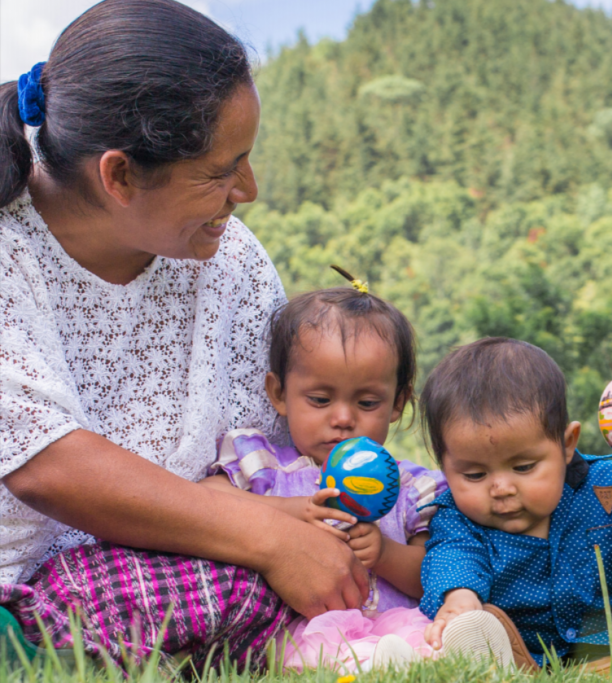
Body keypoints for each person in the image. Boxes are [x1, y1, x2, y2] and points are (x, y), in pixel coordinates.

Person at [0, 0, 363, 668]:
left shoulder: (233, 262)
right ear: (119, 175)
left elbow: (266, 454)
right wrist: (268, 538)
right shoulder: (8, 249)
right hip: (24, 605)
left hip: (189, 585)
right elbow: (47, 461)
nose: (247, 189)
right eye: (222, 170)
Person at [202, 282, 510, 671]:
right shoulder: (261, 464)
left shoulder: (414, 487)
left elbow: (432, 573)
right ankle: (378, 665)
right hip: (305, 631)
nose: (344, 419)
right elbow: (207, 502)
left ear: (398, 403)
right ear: (279, 393)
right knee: (322, 654)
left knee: (425, 637)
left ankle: (469, 646)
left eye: (367, 403)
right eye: (320, 399)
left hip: (396, 626)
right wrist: (291, 510)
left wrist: (385, 554)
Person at [417, 338, 612, 674]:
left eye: (523, 467)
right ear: (444, 466)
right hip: (524, 648)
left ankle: (600, 669)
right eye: (475, 474)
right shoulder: (456, 518)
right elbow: (452, 556)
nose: (502, 489)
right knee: (482, 630)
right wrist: (460, 598)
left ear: (566, 444)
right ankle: (516, 666)